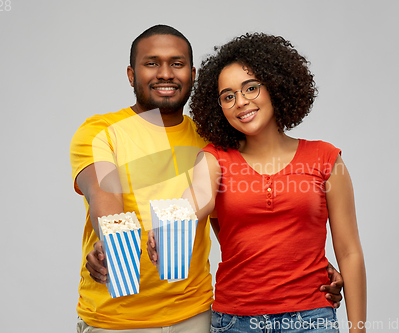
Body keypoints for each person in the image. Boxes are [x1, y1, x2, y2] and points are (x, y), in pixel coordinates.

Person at [72, 25, 344, 333]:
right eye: (151, 63)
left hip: (196, 315)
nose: (165, 73)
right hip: (115, 320)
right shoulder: (100, 131)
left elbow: (235, 221)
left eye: (177, 63)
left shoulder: (212, 142)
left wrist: (301, 267)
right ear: (131, 74)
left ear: (193, 73)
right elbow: (105, 195)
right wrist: (110, 242)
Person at [148, 32, 366, 332]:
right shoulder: (215, 158)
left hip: (311, 319)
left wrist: (358, 328)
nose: (241, 102)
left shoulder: (325, 158)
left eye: (250, 88)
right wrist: (171, 220)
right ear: (219, 107)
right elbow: (199, 195)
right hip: (235, 322)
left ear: (275, 86)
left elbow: (349, 250)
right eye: (228, 96)